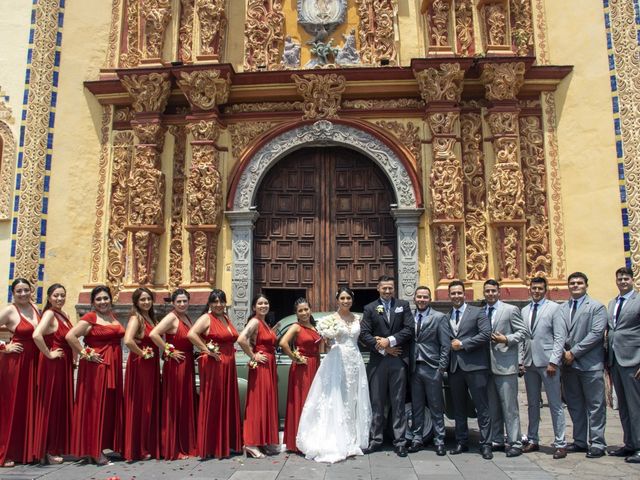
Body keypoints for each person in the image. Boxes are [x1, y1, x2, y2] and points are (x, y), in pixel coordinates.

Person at [297, 287, 372, 463]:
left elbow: (364, 337)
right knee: (337, 397)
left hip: (355, 359)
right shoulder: (329, 320)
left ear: (352, 300)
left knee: (353, 398)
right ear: (337, 300)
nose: (345, 301)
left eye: (348, 298)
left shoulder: (358, 319)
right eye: (342, 298)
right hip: (337, 360)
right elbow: (326, 341)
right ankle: (336, 438)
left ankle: (352, 439)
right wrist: (329, 338)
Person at [66, 285, 125, 465]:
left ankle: (101, 446)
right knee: (95, 406)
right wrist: (85, 354)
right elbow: (71, 336)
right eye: (98, 299)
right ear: (93, 302)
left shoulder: (111, 316)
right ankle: (94, 450)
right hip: (96, 368)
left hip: (112, 367)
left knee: (107, 406)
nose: (102, 302)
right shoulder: (90, 317)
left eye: (105, 298)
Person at [359, 275, 414, 457]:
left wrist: (389, 341)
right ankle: (376, 440)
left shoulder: (403, 306)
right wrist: (383, 349)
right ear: (378, 288)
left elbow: (409, 329)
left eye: (390, 288)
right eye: (384, 288)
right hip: (379, 361)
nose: (388, 291)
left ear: (394, 288)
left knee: (398, 402)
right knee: (377, 402)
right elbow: (365, 334)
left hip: (398, 360)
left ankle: (400, 441)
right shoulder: (370, 308)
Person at [187, 289, 241, 459]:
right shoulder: (206, 318)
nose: (219, 305)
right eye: (215, 302)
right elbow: (191, 334)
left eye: (222, 301)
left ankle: (223, 443)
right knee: (214, 402)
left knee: (225, 401)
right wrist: (206, 350)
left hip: (228, 364)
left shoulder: (225, 318)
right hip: (214, 365)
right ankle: (211, 445)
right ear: (210, 304)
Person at [560, 272, 608, 458]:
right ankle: (579, 440)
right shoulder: (563, 308)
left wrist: (574, 352)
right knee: (574, 403)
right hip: (568, 364)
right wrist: (564, 352)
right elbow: (559, 332)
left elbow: (596, 334)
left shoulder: (596, 307)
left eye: (579, 283)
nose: (575, 286)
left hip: (590, 363)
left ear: (586, 285)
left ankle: (597, 442)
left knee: (595, 405)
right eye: (572, 283)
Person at [520, 276, 568, 459]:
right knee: (533, 404)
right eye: (534, 288)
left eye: (540, 288)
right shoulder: (524, 310)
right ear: (529, 289)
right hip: (530, 362)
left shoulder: (555, 308)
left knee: (555, 404)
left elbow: (559, 337)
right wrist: (521, 360)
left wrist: (554, 361)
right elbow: (523, 338)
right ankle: (533, 438)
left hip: (548, 363)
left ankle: (560, 442)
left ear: (545, 289)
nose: (536, 291)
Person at [447, 279, 493, 459]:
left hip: (476, 367)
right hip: (455, 368)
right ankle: (461, 441)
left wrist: (463, 344)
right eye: (453, 293)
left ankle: (486, 443)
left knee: (482, 406)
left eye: (459, 293)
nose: (456, 296)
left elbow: (486, 334)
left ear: (464, 294)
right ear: (449, 295)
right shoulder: (447, 315)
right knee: (458, 407)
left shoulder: (478, 312)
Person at [149, 289, 197, 460]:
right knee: (175, 403)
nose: (182, 304)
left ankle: (185, 443)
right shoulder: (171, 317)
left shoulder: (186, 317)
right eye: (179, 302)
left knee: (185, 402)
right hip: (176, 365)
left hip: (187, 362)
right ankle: (174, 446)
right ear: (173, 303)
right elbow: (153, 334)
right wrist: (169, 351)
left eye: (185, 301)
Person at [483, 279, 528, 457]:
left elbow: (523, 332)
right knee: (492, 406)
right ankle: (497, 439)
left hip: (505, 364)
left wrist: (506, 339)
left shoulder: (510, 310)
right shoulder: (481, 311)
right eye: (487, 291)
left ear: (499, 292)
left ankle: (515, 441)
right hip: (487, 365)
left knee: (509, 407)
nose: (490, 294)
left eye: (493, 291)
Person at [32, 283, 74, 465]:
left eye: (62, 295)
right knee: (50, 404)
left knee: (58, 404)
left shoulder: (64, 314)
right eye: (56, 295)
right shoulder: (49, 313)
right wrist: (49, 353)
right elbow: (36, 335)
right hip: (53, 364)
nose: (59, 299)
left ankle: (54, 446)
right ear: (49, 297)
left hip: (63, 364)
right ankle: (46, 449)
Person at [0, 278, 41, 467]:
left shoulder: (35, 308)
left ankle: (26, 451)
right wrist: (4, 347)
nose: (23, 294)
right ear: (13, 293)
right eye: (19, 291)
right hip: (16, 363)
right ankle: (5, 451)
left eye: (26, 290)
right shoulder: (10, 310)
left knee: (29, 405)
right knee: (12, 406)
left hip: (34, 361)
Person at [408, 286, 450, 456]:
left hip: (432, 366)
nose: (422, 300)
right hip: (414, 367)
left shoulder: (439, 317)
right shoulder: (409, 317)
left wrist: (441, 368)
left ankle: (439, 440)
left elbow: (445, 345)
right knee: (417, 405)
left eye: (425, 297)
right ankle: (417, 438)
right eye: (419, 297)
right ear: (414, 299)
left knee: (435, 405)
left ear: (430, 299)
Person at [237, 294, 279, 458]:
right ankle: (250, 443)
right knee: (257, 402)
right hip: (261, 365)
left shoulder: (264, 323)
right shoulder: (255, 321)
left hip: (268, 364)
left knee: (266, 402)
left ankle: (262, 440)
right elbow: (241, 339)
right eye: (260, 303)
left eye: (266, 303)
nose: (263, 305)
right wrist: (253, 355)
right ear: (254, 307)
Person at [606, 267, 640, 463]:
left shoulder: (638, 300)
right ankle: (629, 443)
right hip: (616, 360)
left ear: (632, 280)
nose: (622, 281)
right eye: (619, 279)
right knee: (624, 407)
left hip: (633, 359)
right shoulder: (613, 303)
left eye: (626, 278)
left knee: (636, 405)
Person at [280, 298, 323, 454]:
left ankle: (312, 438)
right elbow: (283, 343)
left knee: (314, 401)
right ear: (296, 313)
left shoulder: (315, 326)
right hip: (302, 368)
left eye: (306, 309)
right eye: (300, 310)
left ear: (310, 309)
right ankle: (298, 441)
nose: (304, 313)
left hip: (315, 364)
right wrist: (295, 358)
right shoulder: (296, 327)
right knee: (303, 401)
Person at [123, 287, 160, 461]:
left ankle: (147, 443)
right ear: (136, 302)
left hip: (150, 363)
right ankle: (138, 447)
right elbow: (128, 340)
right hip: (141, 365)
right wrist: (142, 353)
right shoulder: (135, 318)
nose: (146, 302)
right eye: (142, 300)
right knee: (141, 403)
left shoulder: (150, 317)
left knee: (149, 403)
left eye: (148, 299)